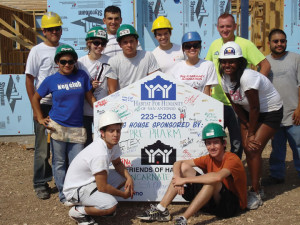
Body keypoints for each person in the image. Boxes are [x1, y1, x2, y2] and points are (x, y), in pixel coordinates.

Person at [137, 123, 247, 225]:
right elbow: (178, 163)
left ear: (224, 143)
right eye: (208, 143)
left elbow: (218, 177)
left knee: (212, 181)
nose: (212, 147)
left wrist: (184, 180)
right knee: (184, 168)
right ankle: (161, 209)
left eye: (216, 142)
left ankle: (183, 219)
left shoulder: (232, 159)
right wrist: (178, 177)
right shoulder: (208, 158)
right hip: (212, 202)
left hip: (229, 207)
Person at [218, 41, 283, 209]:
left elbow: (256, 106)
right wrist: (246, 125)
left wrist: (251, 131)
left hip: (270, 111)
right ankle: (253, 184)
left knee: (253, 148)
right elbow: (235, 104)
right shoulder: (225, 78)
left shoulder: (247, 77)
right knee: (247, 146)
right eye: (224, 61)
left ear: (240, 62)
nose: (227, 64)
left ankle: (255, 191)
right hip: (248, 112)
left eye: (232, 61)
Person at [31, 44, 96, 205]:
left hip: (77, 127)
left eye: (70, 61)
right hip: (57, 126)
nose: (67, 64)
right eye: (63, 61)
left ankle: (76, 192)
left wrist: (103, 112)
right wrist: (40, 118)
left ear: (75, 62)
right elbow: (35, 98)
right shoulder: (51, 80)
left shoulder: (81, 76)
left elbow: (90, 98)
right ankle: (63, 194)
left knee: (76, 163)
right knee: (59, 163)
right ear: (57, 63)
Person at [206, 13, 271, 158]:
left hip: (238, 103)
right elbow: (207, 68)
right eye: (222, 26)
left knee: (237, 142)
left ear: (235, 27)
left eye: (229, 26)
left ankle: (235, 171)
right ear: (217, 28)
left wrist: (255, 87)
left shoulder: (245, 44)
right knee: (215, 140)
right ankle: (219, 171)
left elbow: (265, 65)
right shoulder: (214, 45)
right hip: (218, 102)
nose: (225, 29)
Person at [63, 111, 135, 225]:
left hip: (88, 182)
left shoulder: (113, 143)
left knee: (123, 178)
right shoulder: (100, 153)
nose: (115, 134)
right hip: (75, 189)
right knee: (111, 206)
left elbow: (117, 164)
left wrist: (129, 177)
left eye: (118, 130)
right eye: (111, 131)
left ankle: (97, 203)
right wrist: (123, 195)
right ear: (102, 132)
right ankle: (78, 211)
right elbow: (102, 187)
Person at [25, 12, 63, 199]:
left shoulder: (65, 49)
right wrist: (36, 110)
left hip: (62, 107)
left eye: (57, 28)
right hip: (44, 106)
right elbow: (30, 80)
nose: (54, 32)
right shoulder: (37, 51)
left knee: (60, 147)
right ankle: (40, 183)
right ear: (44, 31)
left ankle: (61, 180)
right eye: (51, 29)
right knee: (42, 149)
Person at [264, 28, 300, 185]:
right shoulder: (265, 63)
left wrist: (299, 108)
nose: (279, 44)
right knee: (277, 148)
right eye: (276, 41)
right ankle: (277, 175)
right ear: (269, 43)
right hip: (275, 115)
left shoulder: (296, 59)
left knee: (298, 147)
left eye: (282, 41)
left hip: (294, 114)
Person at [78, 26, 114, 147]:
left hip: (104, 110)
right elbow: (76, 87)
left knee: (103, 143)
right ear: (89, 43)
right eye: (96, 43)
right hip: (84, 111)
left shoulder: (110, 60)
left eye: (103, 43)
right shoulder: (80, 63)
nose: (99, 46)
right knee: (86, 143)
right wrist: (89, 87)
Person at [107, 24, 160, 93]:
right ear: (120, 45)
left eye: (131, 41)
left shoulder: (148, 56)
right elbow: (111, 91)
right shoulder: (113, 61)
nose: (129, 45)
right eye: (125, 42)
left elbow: (155, 82)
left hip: (144, 99)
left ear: (137, 42)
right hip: (123, 101)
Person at [169, 31, 218, 96]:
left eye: (195, 45)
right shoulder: (177, 66)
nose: (192, 48)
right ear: (183, 48)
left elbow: (208, 92)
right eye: (188, 46)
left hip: (201, 104)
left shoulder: (208, 65)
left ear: (200, 47)